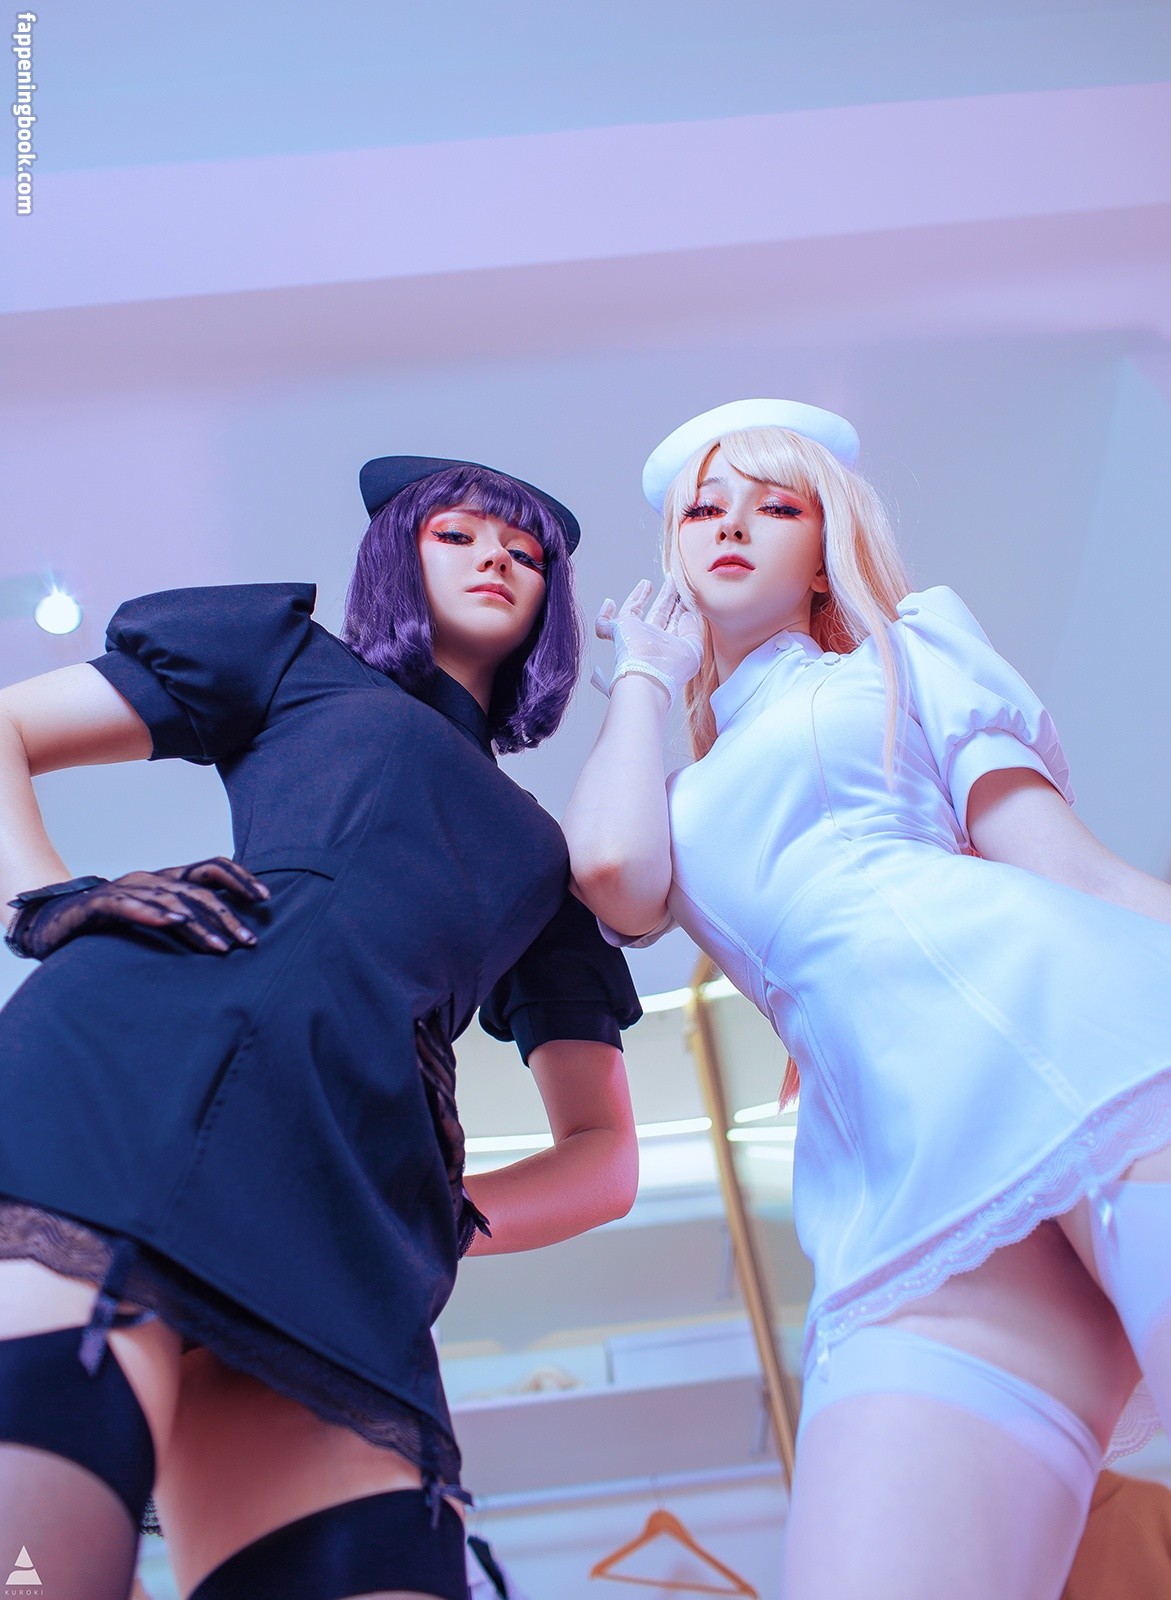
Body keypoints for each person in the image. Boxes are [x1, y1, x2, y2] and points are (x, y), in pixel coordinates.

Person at [0, 454, 642, 1600]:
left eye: (526, 552)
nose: (496, 558)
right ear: (396, 551)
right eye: (456, 534)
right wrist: (45, 896)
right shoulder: (293, 660)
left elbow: (603, 1158)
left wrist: (439, 1216)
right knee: (38, 1564)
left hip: (351, 1207)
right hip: (141, 1078)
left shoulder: (548, 860)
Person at [563, 398, 1171, 1600]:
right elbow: (612, 869)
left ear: (822, 546)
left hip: (1082, 1052)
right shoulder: (673, 794)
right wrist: (643, 673)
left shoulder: (908, 651)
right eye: (702, 509)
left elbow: (1071, 870)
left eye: (774, 505)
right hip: (898, 1176)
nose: (731, 524)